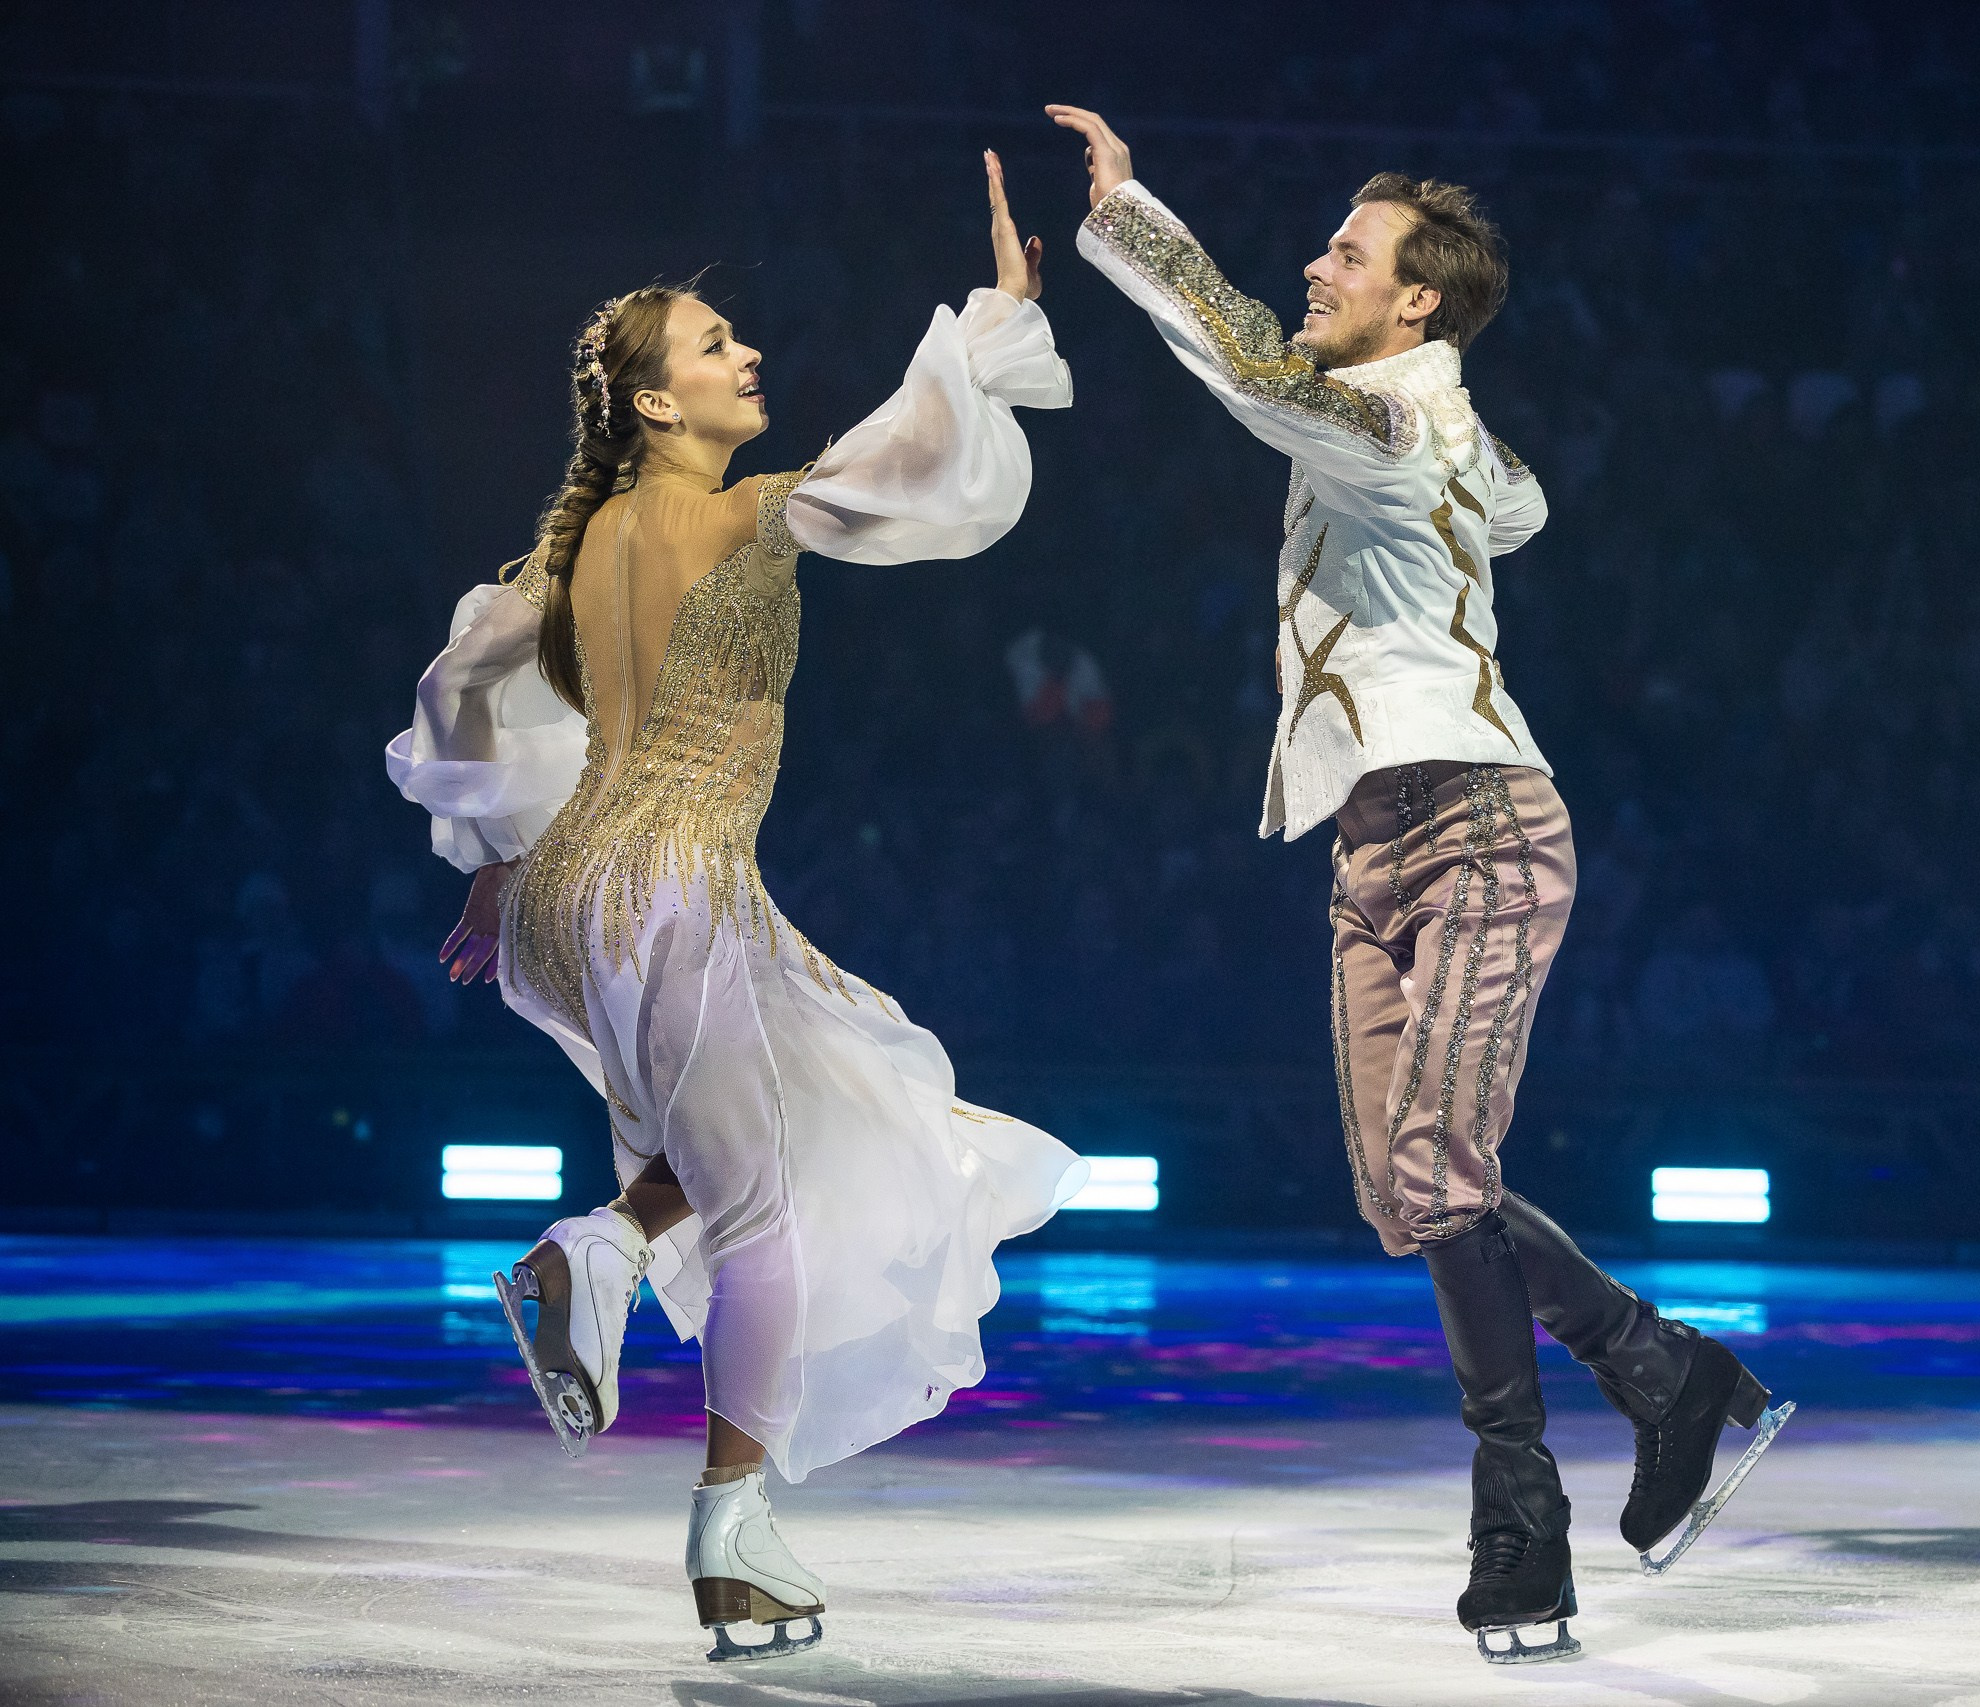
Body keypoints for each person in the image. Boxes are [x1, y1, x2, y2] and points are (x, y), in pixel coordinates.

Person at [1048, 107, 1791, 1665]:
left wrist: (1128, 217)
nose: (1316, 266)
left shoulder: (1384, 427)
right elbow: (1519, 509)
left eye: (1347, 252)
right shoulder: (1423, 432)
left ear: (1418, 305)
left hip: (1481, 828)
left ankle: (1525, 1509)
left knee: (1443, 1168)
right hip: (1368, 839)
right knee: (1410, 1195)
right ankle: (1665, 1377)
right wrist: (1458, 475)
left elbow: (1252, 373)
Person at [384, 153, 1087, 1664]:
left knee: (805, 1118)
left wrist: (495, 864)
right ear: (651, 401)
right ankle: (731, 1538)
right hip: (674, 894)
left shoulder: (566, 561)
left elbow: (457, 688)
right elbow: (917, 467)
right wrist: (994, 326)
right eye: (713, 345)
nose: (746, 353)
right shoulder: (742, 516)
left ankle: (605, 1255)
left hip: (581, 899)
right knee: (763, 1205)